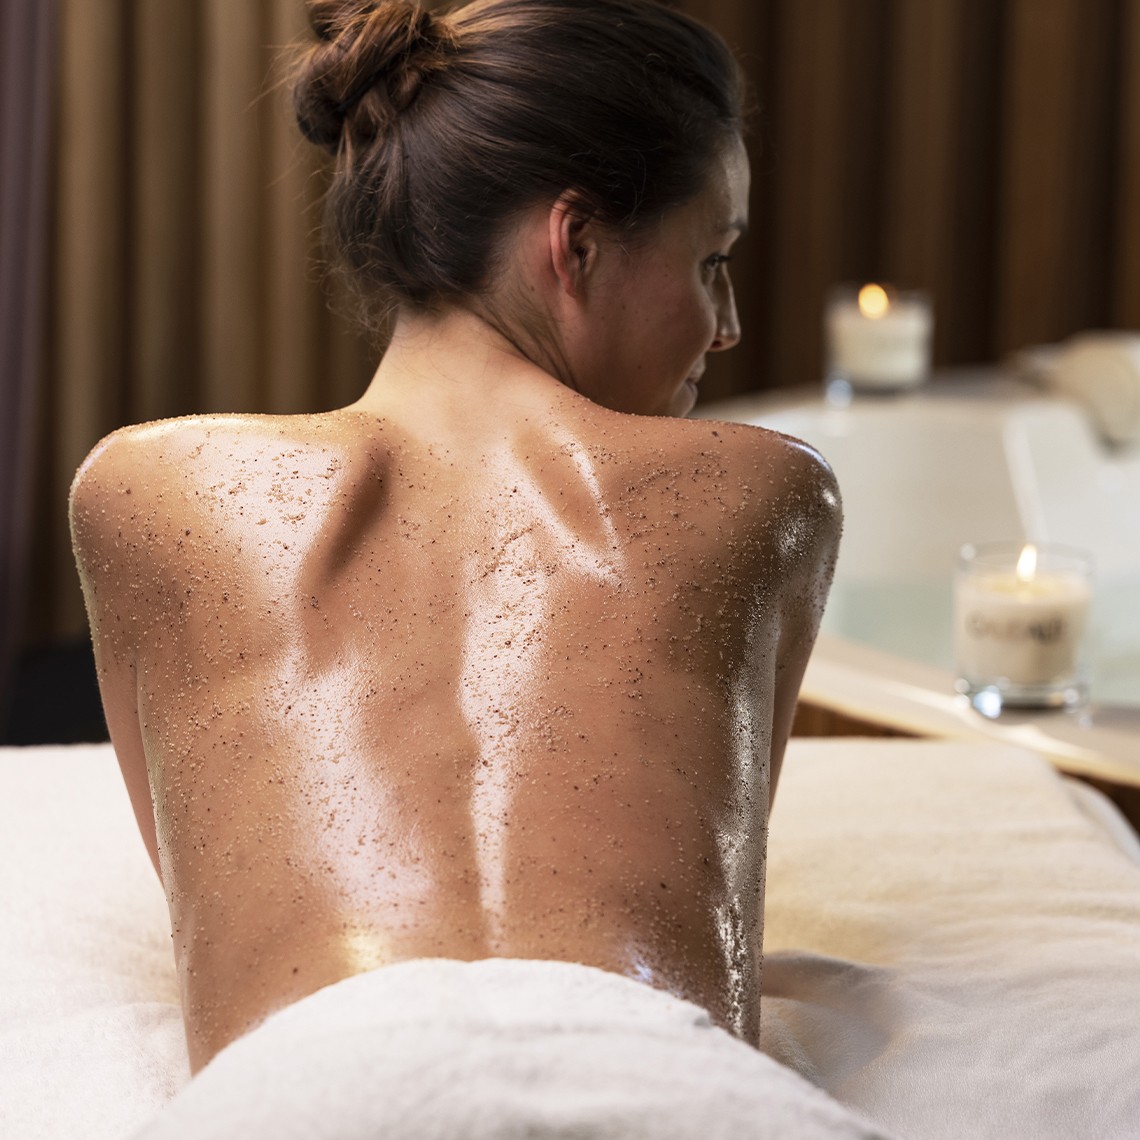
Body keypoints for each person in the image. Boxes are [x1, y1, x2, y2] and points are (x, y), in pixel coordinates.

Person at [70, 1, 859, 1135]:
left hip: (302, 1096)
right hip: (655, 1088)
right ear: (575, 242)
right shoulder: (765, 493)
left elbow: (204, 893)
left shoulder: (145, 491)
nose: (724, 325)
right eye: (712, 260)